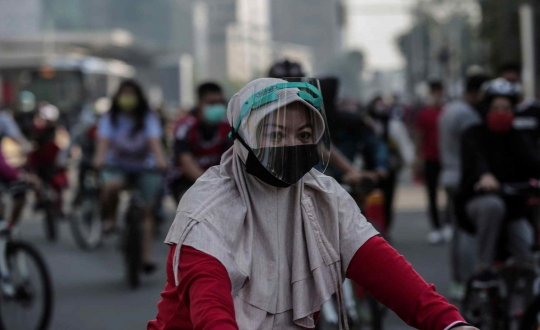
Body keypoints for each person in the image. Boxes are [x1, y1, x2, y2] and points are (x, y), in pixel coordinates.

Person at [148, 78, 475, 330]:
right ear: (243, 139)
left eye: (304, 135)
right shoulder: (208, 210)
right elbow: (211, 309)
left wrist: (450, 323)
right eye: (275, 135)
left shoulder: (324, 198)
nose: (292, 145)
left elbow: (384, 268)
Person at [457, 78, 540, 284]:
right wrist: (484, 176)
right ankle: (484, 269)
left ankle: (522, 310)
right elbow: (476, 160)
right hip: (478, 203)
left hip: (514, 208)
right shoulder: (473, 134)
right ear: (487, 109)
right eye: (496, 108)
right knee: (492, 206)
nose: (501, 112)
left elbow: (533, 163)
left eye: (506, 108)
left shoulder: (519, 138)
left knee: (528, 258)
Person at [93, 80, 167, 273]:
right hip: (116, 166)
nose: (128, 98)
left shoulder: (149, 117)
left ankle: (145, 257)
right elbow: (103, 143)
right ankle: (110, 219)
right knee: (111, 187)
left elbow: (155, 142)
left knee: (146, 211)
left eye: (131, 94)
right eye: (124, 93)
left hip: (145, 167)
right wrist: (99, 159)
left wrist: (161, 160)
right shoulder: (110, 118)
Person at [438, 72, 489, 299]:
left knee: (457, 232)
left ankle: (458, 280)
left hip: (448, 174)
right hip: (462, 177)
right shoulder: (469, 116)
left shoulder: (449, 110)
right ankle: (468, 281)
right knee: (467, 232)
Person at [170, 82, 232, 203]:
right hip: (187, 181)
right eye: (211, 103)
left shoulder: (228, 127)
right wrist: (210, 185)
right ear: (199, 103)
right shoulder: (185, 127)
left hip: (220, 182)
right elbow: (186, 163)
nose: (217, 107)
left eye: (220, 103)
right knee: (191, 205)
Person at [368, 95, 414, 231]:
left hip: (390, 168)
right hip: (370, 169)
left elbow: (404, 144)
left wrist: (410, 162)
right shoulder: (367, 124)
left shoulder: (394, 125)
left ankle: (385, 228)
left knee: (388, 199)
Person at [415, 80, 447, 244]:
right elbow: (419, 137)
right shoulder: (424, 114)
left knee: (450, 192)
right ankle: (436, 227)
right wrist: (418, 159)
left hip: (447, 158)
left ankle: (447, 223)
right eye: (434, 91)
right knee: (432, 193)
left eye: (439, 91)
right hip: (430, 158)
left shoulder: (446, 112)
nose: (437, 94)